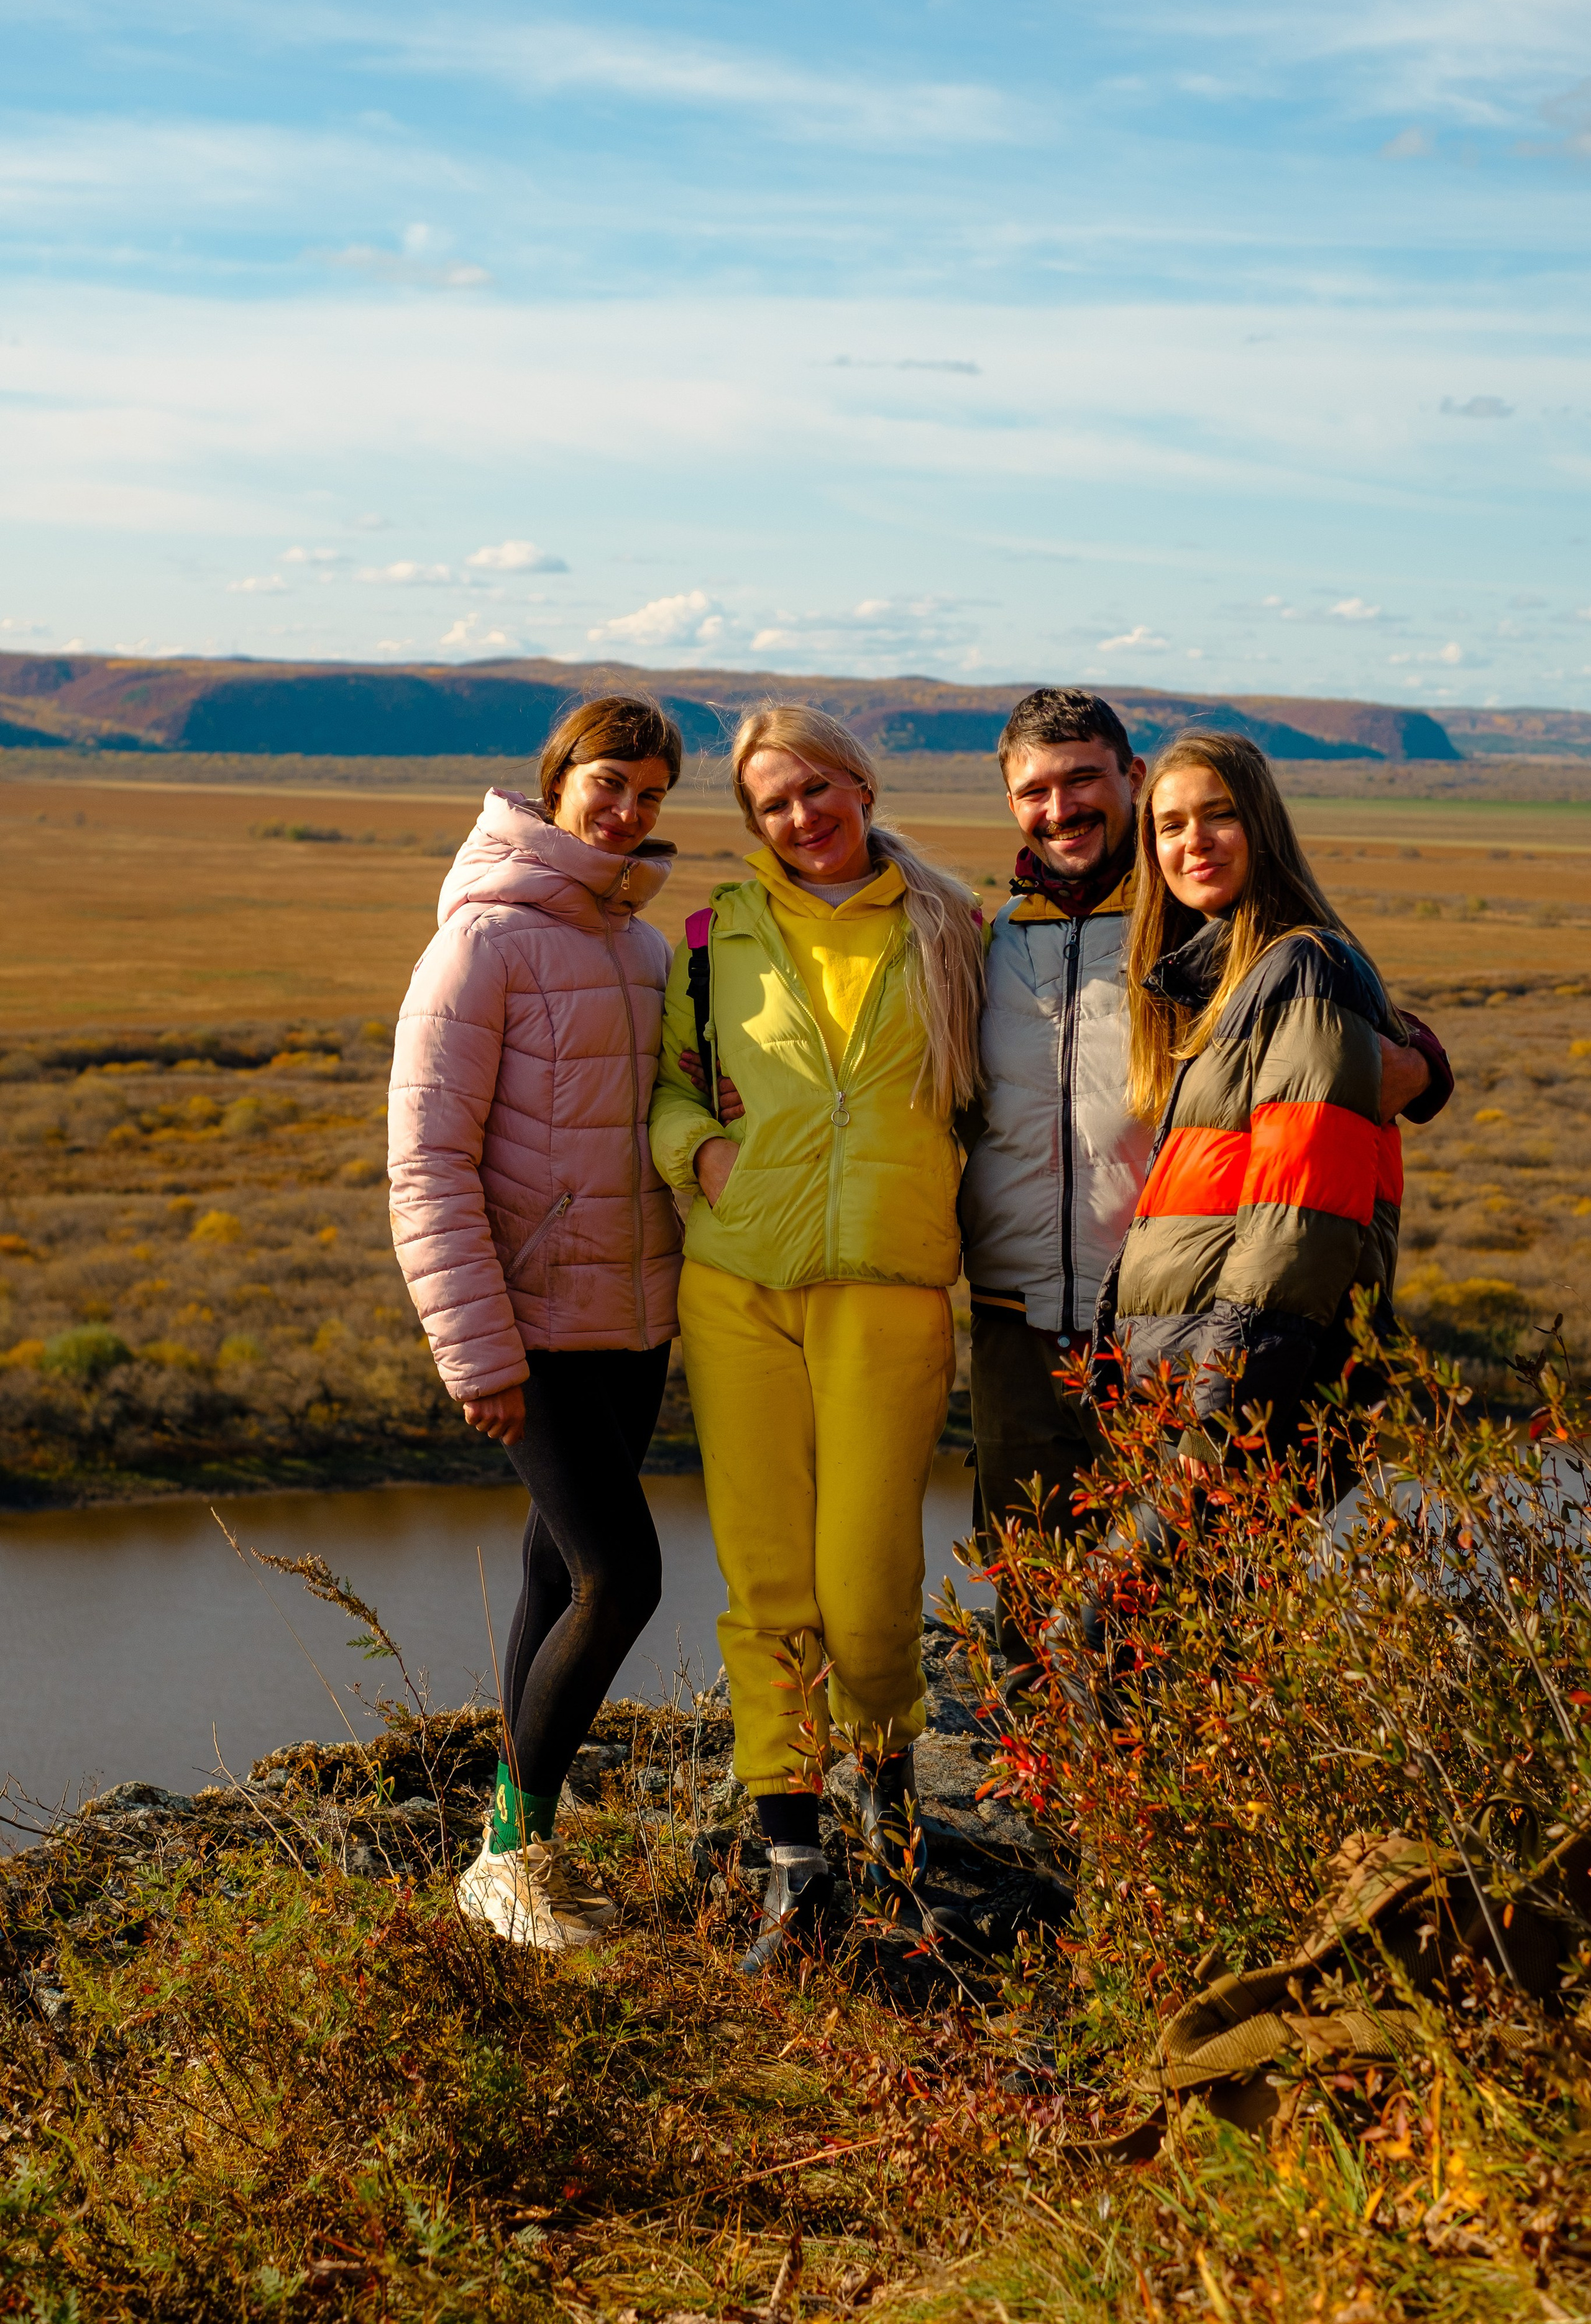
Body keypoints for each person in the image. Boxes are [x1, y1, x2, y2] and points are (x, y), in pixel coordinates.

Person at [958, 691, 1447, 1682]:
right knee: (1036, 1614)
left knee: (1176, 1632)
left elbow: (1337, 1040)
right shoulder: (985, 939)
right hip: (1022, 1323)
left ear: (1129, 780)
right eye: (1034, 791)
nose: (1061, 808)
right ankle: (1058, 1832)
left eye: (1084, 779)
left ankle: (1183, 1834)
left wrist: (1420, 1063)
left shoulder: (1210, 931)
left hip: (1182, 1338)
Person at [649, 705, 983, 1970]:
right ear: (754, 824)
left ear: (857, 782)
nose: (800, 816)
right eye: (772, 803)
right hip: (737, 1282)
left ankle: (886, 1798)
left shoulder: (951, 926)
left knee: (865, 1588)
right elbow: (671, 1088)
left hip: (889, 1289)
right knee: (767, 1587)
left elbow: (1013, 1096)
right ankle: (798, 1863)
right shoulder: (709, 940)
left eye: (815, 788)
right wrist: (702, 1155)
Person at [387, 694, 685, 1950]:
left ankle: (514, 1858)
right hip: (533, 1329)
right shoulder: (483, 944)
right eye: (609, 783)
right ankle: (511, 1849)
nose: (626, 811)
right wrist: (477, 1354)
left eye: (652, 795)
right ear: (557, 781)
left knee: (554, 1568)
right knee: (624, 1577)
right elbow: (426, 1163)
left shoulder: (640, 947)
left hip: (630, 1321)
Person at [1096, 727, 1431, 1458]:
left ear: (1263, 824)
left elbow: (1293, 1234)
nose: (1196, 842)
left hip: (1241, 1413)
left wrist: (1218, 1426)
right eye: (1170, 825)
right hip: (1193, 1395)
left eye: (1220, 815)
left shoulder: (1303, 972)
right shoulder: (1224, 986)